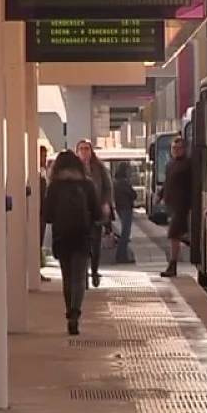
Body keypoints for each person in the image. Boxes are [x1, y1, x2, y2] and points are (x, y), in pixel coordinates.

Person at [43, 150, 101, 335]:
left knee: (67, 277)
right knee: (79, 277)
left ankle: (69, 311)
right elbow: (97, 212)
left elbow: (48, 215)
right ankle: (75, 312)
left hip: (62, 236)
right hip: (82, 235)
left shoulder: (54, 186)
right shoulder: (87, 184)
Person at [75, 139, 113, 287]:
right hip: (79, 213)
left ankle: (95, 271)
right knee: (82, 245)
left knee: (95, 244)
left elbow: (107, 187)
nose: (84, 151)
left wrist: (106, 204)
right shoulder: (74, 169)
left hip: (95, 212)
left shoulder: (99, 168)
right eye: (81, 149)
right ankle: (83, 274)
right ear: (77, 152)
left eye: (87, 149)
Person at [157, 136, 191, 278]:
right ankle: (174, 262)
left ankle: (172, 264)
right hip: (172, 205)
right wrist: (160, 195)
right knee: (177, 235)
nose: (176, 151)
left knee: (173, 234)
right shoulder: (170, 165)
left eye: (179, 148)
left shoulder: (188, 165)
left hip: (182, 205)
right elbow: (167, 183)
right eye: (173, 148)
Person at [113, 161, 137, 264]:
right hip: (126, 207)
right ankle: (121, 256)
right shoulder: (123, 182)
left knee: (125, 232)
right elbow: (133, 194)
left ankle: (121, 255)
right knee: (125, 234)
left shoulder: (117, 181)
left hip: (121, 207)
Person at [39, 145, 51, 282]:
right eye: (42, 156)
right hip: (38, 212)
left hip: (42, 212)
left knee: (39, 242)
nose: (44, 159)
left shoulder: (43, 171)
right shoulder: (36, 172)